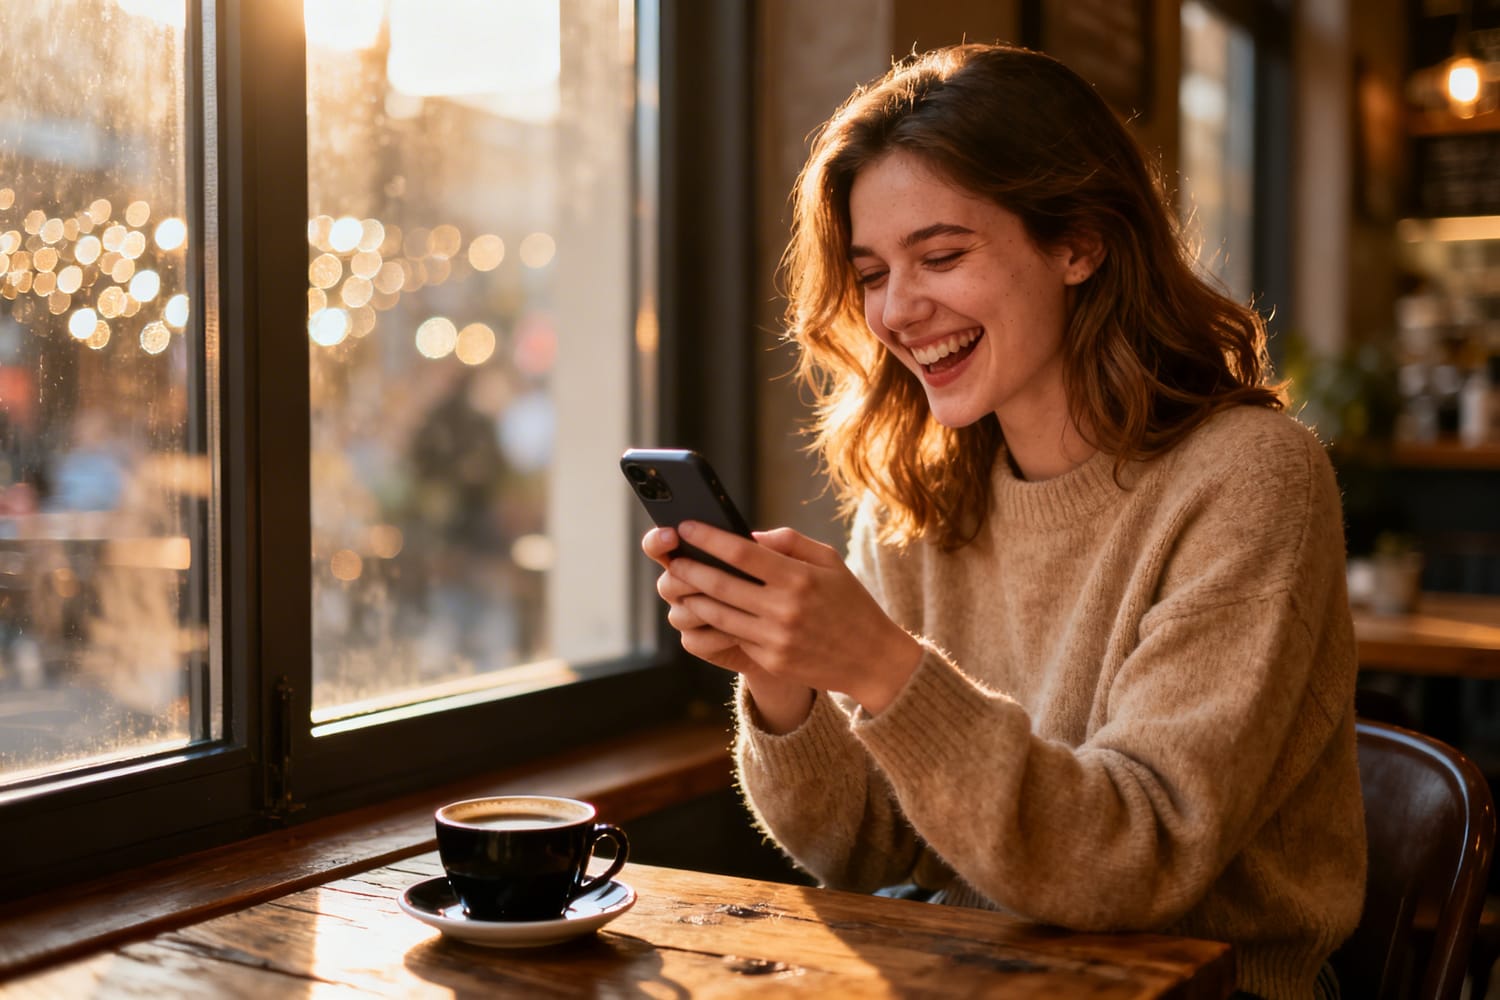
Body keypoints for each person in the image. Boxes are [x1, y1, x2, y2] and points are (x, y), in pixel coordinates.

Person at [641, 43, 1364, 1000]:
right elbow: (865, 852)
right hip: (971, 976)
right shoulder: (920, 491)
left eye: (941, 255)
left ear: (1079, 243)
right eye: (870, 272)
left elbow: (1138, 860)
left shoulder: (1249, 477)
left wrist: (878, 667)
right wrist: (785, 682)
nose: (898, 311)